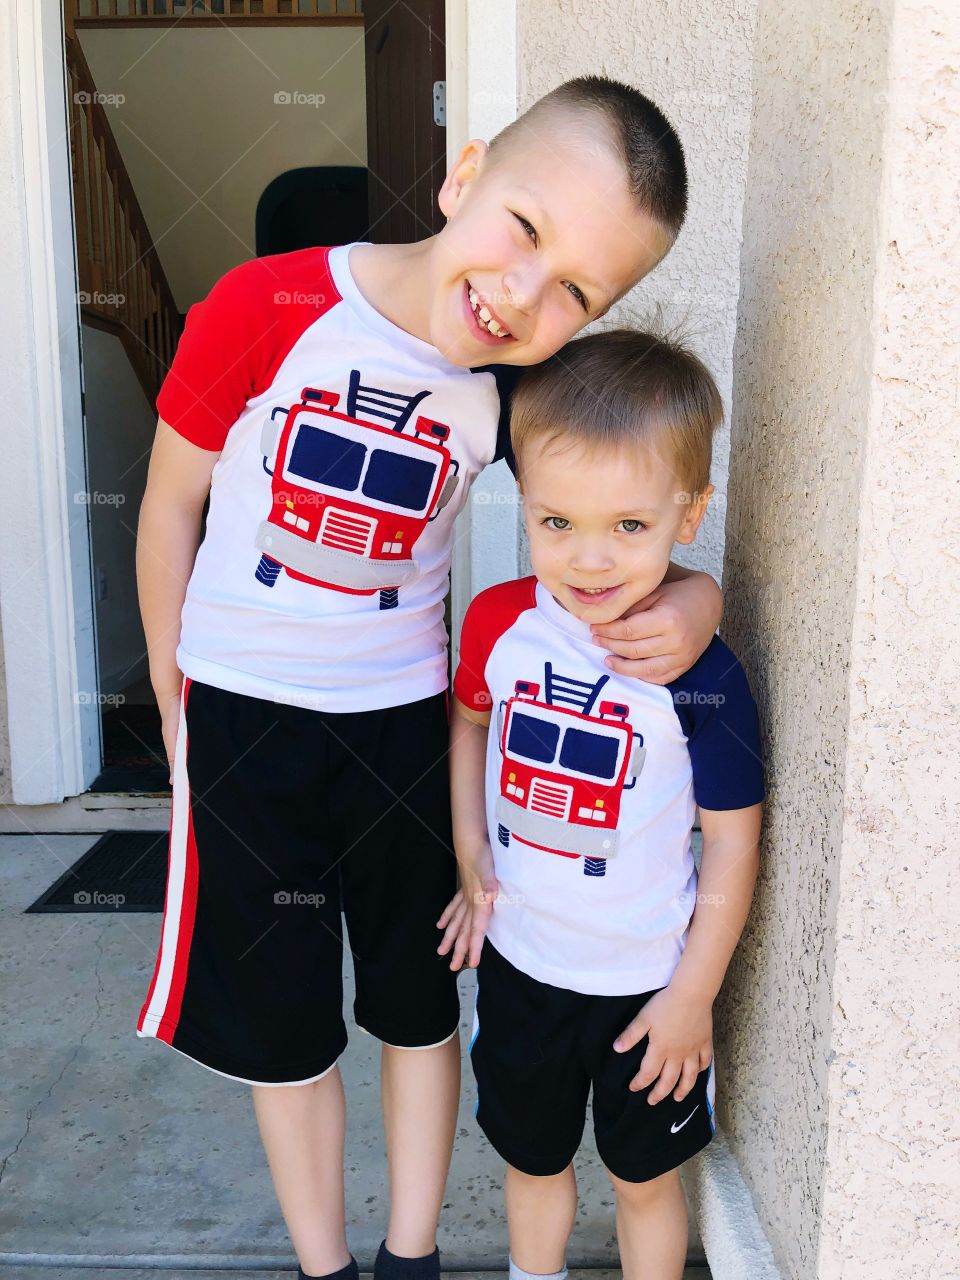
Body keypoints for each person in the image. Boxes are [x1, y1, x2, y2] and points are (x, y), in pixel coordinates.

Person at [135, 77, 722, 1280]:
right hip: (243, 716)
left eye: (578, 292)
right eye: (523, 229)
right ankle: (324, 1264)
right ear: (464, 178)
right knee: (283, 1020)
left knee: (416, 1002)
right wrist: (168, 697)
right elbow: (169, 502)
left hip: (404, 728)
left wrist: (698, 595)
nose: (524, 293)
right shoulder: (269, 304)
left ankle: (411, 1256)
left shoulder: (520, 384)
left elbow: (622, 480)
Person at [439, 329, 765, 1280]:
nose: (588, 560)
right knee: (531, 1162)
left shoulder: (701, 672)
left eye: (629, 526)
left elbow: (735, 847)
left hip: (648, 990)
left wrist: (692, 994)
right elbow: (466, 724)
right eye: (556, 523)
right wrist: (470, 853)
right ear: (525, 506)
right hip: (523, 968)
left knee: (642, 1183)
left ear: (688, 514)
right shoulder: (502, 620)